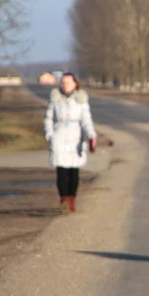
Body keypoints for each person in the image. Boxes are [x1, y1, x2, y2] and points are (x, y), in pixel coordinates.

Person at [44, 72, 97, 214]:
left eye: (68, 82)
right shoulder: (55, 98)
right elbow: (48, 118)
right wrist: (49, 134)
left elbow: (86, 119)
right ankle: (64, 200)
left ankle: (72, 200)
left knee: (73, 172)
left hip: (75, 137)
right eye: (63, 82)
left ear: (75, 84)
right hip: (59, 137)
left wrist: (91, 135)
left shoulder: (81, 100)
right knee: (61, 171)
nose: (65, 85)